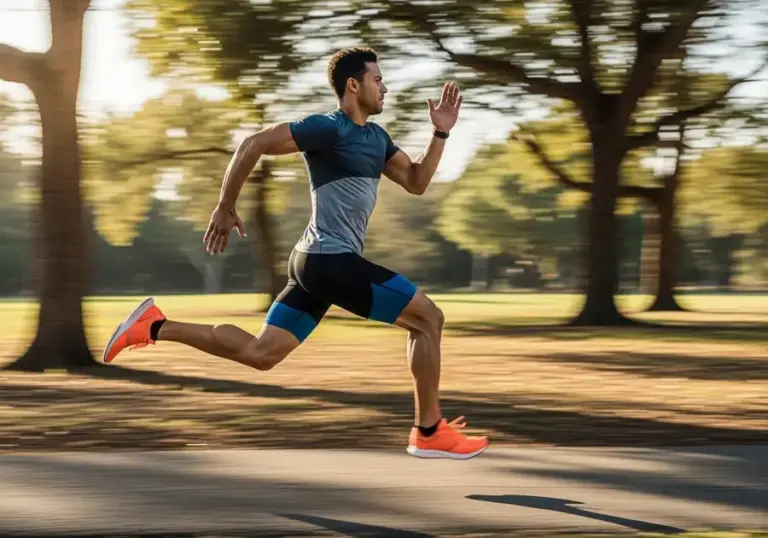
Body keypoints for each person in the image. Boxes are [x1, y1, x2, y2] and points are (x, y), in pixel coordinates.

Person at [103, 47, 488, 460]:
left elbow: (416, 181)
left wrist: (441, 134)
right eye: (378, 79)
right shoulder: (327, 128)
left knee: (260, 354)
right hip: (329, 260)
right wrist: (225, 206)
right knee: (428, 319)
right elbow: (253, 143)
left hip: (315, 262)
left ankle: (153, 326)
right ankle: (428, 430)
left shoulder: (376, 139)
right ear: (353, 85)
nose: (385, 87)